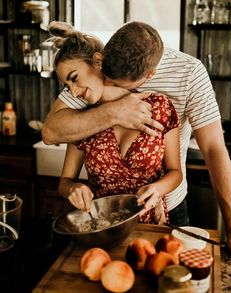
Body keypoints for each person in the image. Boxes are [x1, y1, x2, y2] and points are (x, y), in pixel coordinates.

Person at [42, 21, 231, 255]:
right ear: (100, 60)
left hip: (165, 213)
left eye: (116, 84)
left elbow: (214, 149)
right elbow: (51, 132)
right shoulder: (91, 79)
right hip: (104, 220)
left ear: (149, 76)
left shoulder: (185, 78)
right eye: (106, 78)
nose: (108, 86)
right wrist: (114, 112)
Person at [49, 21, 182, 223]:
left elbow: (175, 172)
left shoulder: (160, 106)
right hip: (102, 226)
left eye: (74, 78)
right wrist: (73, 189)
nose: (74, 92)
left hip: (151, 226)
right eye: (67, 86)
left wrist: (158, 188)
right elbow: (64, 183)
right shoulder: (81, 120)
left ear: (98, 62)